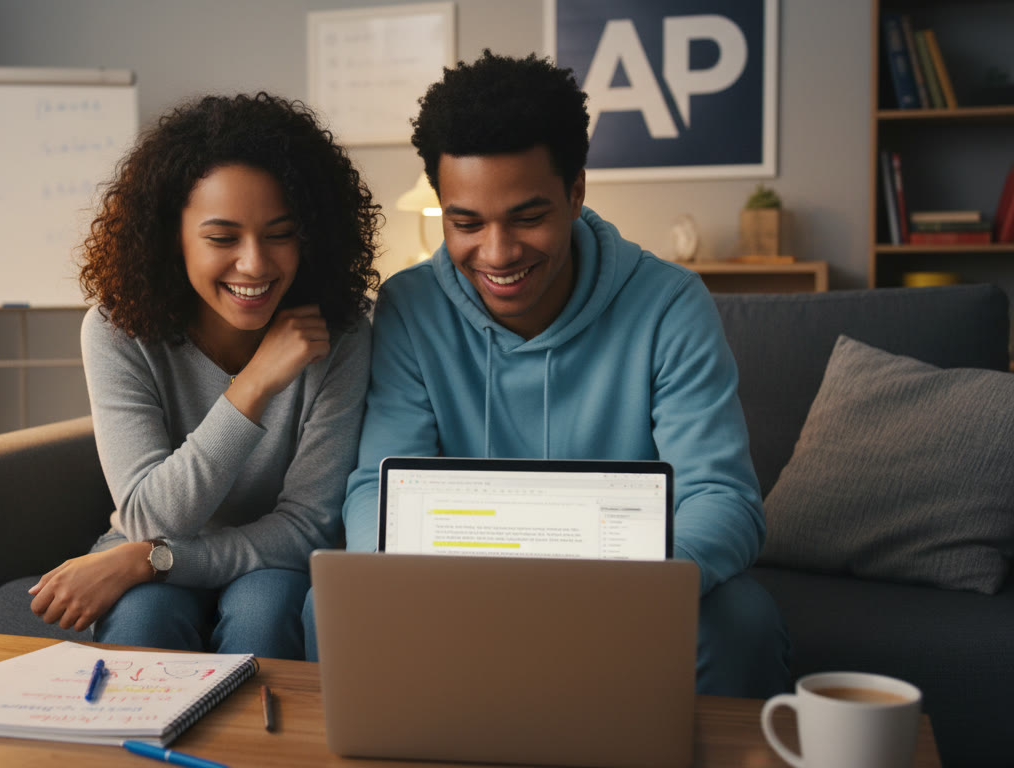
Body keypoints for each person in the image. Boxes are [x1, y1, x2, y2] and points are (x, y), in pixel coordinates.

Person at [304, 51, 791, 697]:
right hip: (458, 584)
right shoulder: (409, 307)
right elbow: (380, 485)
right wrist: (394, 584)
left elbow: (722, 498)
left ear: (576, 191)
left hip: (625, 586)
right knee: (326, 610)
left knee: (741, 619)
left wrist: (613, 590)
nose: (498, 253)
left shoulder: (670, 303)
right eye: (466, 223)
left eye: (528, 217)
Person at [28, 92, 381, 660]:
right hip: (148, 541)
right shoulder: (118, 330)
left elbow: (306, 528)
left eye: (280, 234)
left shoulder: (342, 334)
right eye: (222, 239)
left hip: (268, 560)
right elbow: (148, 515)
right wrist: (254, 384)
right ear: (173, 237)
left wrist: (149, 558)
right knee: (142, 616)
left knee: (265, 612)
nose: (255, 264)